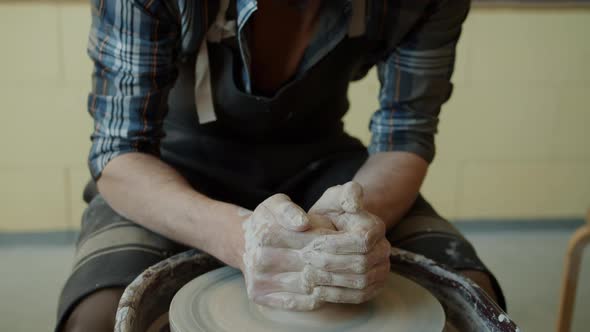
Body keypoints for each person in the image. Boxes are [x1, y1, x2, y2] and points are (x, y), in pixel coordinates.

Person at [56, 0, 505, 331]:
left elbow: (405, 134)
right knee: (98, 316)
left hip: (322, 162)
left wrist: (348, 227)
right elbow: (119, 151)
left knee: (468, 298)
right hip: (172, 168)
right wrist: (236, 236)